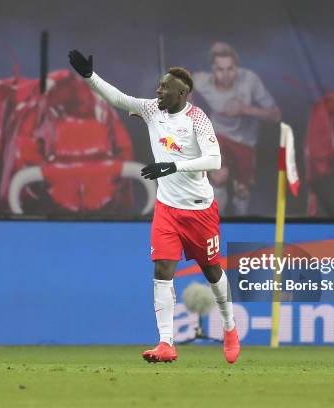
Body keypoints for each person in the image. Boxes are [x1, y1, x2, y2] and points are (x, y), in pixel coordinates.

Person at [68, 49, 240, 364]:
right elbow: (119, 99)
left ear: (182, 93)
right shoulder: (152, 110)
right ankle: (166, 343)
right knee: (162, 271)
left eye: (164, 88)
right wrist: (90, 77)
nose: (158, 92)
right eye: (159, 86)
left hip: (200, 209)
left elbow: (214, 160)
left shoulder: (196, 119)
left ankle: (229, 327)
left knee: (213, 272)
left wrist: (172, 166)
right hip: (167, 209)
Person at [193, 42, 281, 215]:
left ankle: (239, 223)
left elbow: (275, 115)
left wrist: (245, 109)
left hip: (244, 141)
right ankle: (217, 223)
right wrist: (189, 101)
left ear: (237, 68)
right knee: (218, 177)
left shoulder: (250, 80)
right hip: (217, 136)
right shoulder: (203, 81)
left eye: (230, 69)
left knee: (242, 191)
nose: (225, 75)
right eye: (220, 69)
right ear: (213, 69)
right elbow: (180, 79)